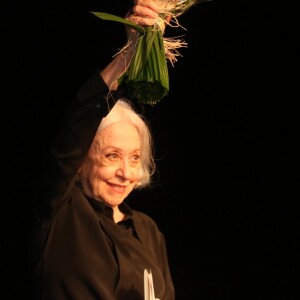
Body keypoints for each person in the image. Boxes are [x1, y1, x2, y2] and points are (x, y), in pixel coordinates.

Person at [29, 1, 175, 300]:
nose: (125, 173)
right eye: (112, 155)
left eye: (134, 158)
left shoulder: (148, 232)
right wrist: (130, 54)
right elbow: (77, 126)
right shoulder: (60, 213)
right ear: (81, 161)